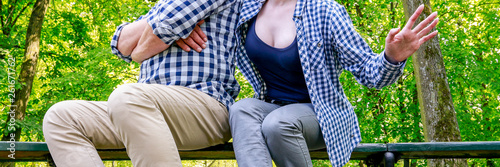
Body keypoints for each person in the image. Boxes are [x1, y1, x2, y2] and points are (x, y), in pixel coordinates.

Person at [227, 0, 439, 166]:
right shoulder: (245, 8)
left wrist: (392, 57)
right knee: (241, 109)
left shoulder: (325, 11)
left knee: (277, 124)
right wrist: (193, 29)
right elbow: (210, 20)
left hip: (321, 115)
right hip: (271, 106)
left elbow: (369, 72)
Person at [42, 0, 242, 166]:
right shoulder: (164, 4)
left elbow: (166, 25)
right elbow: (120, 43)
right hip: (141, 110)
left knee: (127, 96)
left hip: (205, 106)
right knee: (62, 117)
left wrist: (142, 48)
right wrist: (158, 26)